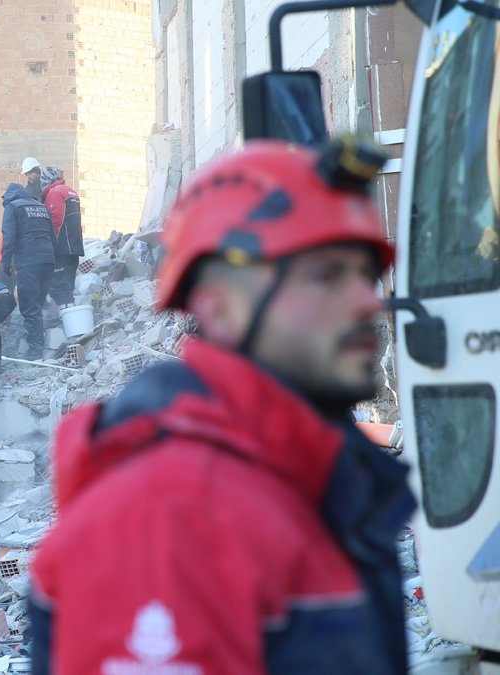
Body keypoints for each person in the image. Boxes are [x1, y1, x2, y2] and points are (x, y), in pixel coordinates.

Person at [29, 139, 415, 674]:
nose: (365, 302)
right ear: (220, 307)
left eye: (363, 274)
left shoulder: (312, 477)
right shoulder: (169, 522)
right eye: (326, 276)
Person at [1, 183, 55, 359]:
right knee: (37, 304)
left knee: (29, 305)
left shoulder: (13, 207)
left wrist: (6, 261)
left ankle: (35, 349)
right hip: (48, 260)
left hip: (29, 261)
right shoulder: (41, 207)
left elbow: (8, 236)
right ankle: (38, 338)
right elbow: (52, 235)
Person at [40, 166, 84, 306]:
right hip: (74, 247)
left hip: (61, 248)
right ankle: (73, 318)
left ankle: (68, 322)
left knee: (59, 288)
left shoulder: (54, 192)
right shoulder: (71, 192)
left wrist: (50, 246)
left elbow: (55, 220)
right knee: (68, 286)